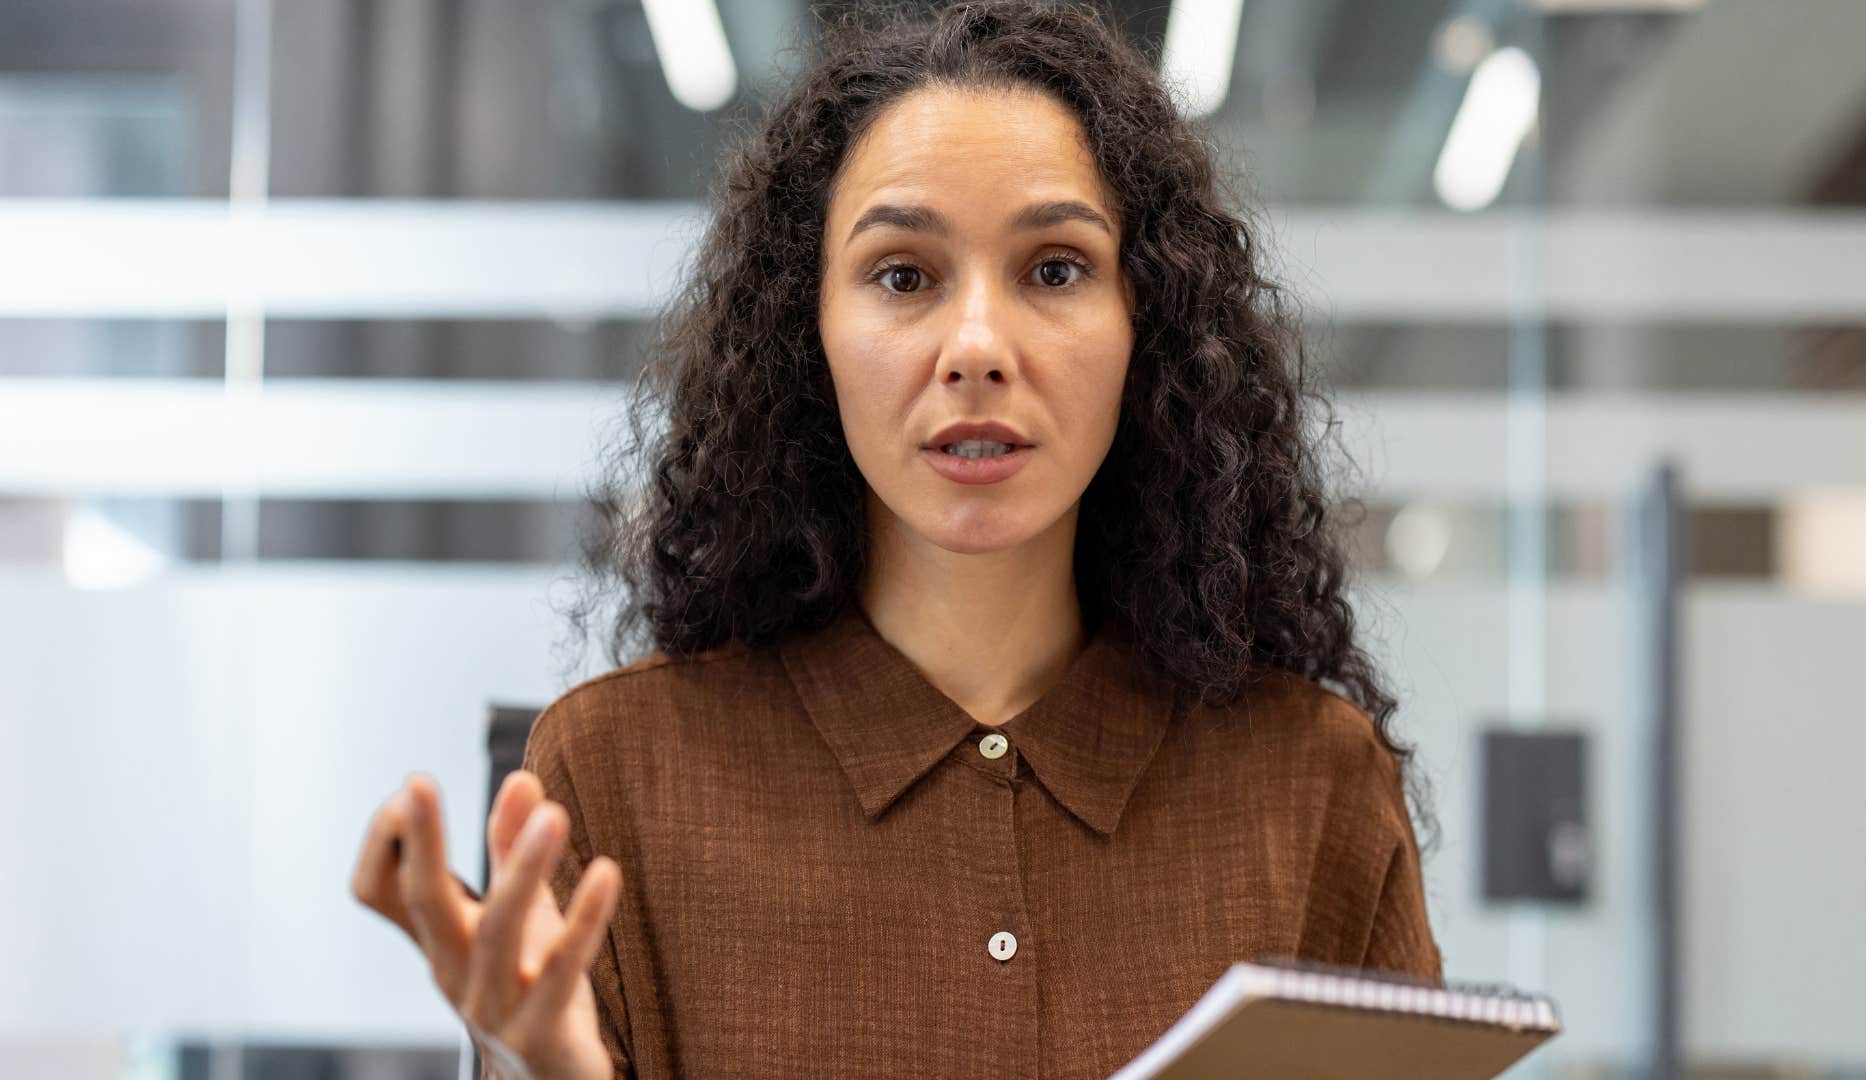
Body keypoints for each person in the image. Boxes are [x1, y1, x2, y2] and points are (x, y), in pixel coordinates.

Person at [350, 2, 1442, 1076]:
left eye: (1055, 269)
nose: (977, 348)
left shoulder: (1316, 785)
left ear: (1144, 323)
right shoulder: (615, 776)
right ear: (806, 334)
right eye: (904, 277)